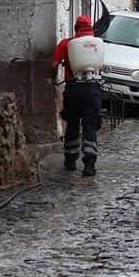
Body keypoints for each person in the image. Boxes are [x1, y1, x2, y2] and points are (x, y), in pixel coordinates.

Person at [51, 15, 103, 177]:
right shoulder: (98, 44)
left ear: (75, 28)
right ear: (90, 28)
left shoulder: (66, 44)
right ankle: (89, 164)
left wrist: (53, 78)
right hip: (93, 90)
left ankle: (71, 160)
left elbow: (53, 64)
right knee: (90, 126)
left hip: (73, 89)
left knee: (72, 124)